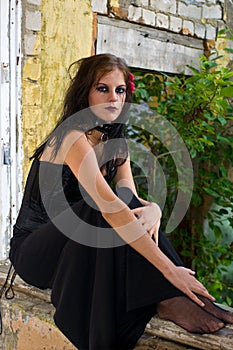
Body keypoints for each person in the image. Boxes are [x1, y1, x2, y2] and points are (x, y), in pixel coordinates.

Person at [8, 53, 233, 350]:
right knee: (99, 206)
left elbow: (129, 197)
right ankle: (169, 295)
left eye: (120, 90)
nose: (113, 98)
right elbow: (111, 209)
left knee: (119, 204)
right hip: (37, 252)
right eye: (103, 89)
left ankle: (172, 298)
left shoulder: (114, 142)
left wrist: (153, 208)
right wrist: (169, 270)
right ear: (84, 92)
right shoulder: (73, 138)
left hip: (77, 249)